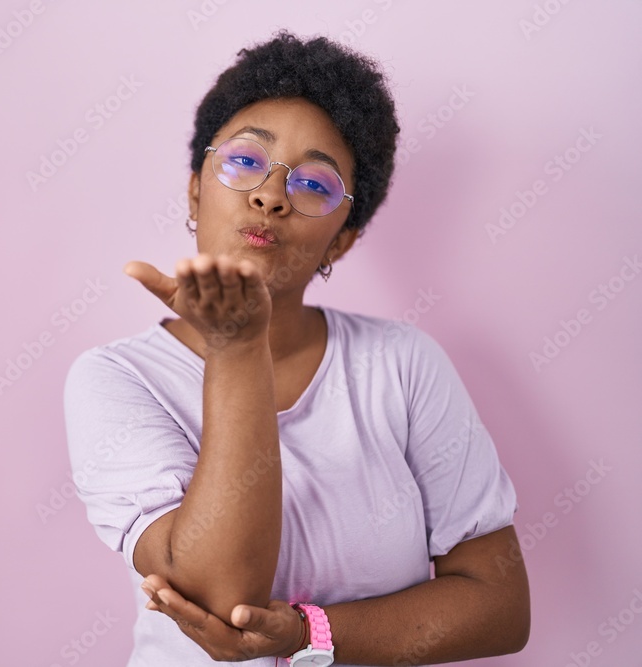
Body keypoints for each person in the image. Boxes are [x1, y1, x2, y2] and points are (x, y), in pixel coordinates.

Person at [62, 30, 529, 666]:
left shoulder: (404, 365)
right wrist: (236, 348)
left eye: (314, 184)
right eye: (246, 161)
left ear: (343, 241)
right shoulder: (115, 378)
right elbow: (222, 595)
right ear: (196, 190)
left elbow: (499, 606)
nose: (271, 194)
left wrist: (311, 631)